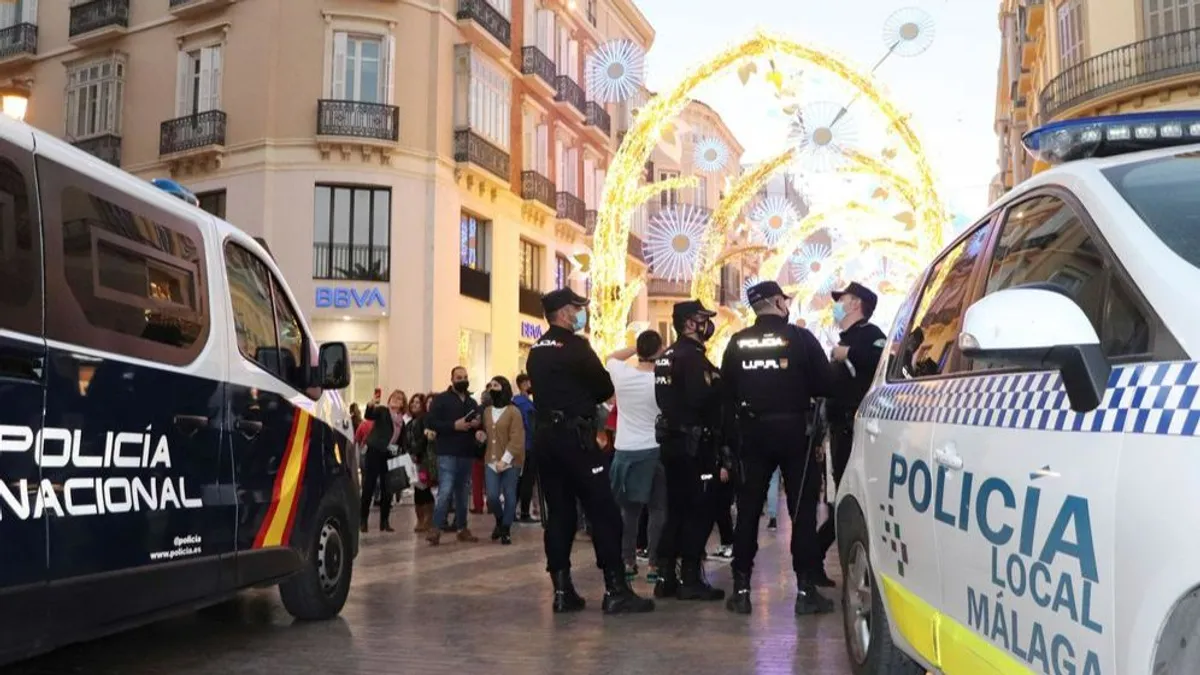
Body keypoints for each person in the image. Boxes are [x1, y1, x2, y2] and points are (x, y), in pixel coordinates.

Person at [525, 287, 654, 615]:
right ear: (565, 313)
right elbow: (603, 387)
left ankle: (562, 590)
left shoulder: (536, 349)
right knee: (603, 510)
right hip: (576, 438)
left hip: (546, 439)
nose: (581, 313)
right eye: (577, 308)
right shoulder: (575, 346)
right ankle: (615, 588)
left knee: (560, 513)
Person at [721, 281, 834, 616]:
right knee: (801, 512)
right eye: (784, 299)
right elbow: (826, 383)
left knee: (748, 511)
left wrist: (729, 443)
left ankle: (741, 590)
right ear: (776, 302)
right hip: (795, 433)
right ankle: (805, 591)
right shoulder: (800, 339)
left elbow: (725, 395)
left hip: (751, 433)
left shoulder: (738, 342)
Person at [654, 300, 729, 602]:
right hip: (694, 445)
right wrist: (722, 386)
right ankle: (689, 578)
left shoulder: (666, 356)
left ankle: (666, 576)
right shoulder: (694, 358)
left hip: (672, 443)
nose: (706, 324)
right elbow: (702, 398)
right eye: (702, 319)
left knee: (675, 510)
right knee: (699, 510)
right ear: (688, 323)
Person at [815, 282, 886, 572]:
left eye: (841, 299)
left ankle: (815, 556)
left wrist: (849, 354)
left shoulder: (871, 335)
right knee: (840, 496)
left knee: (848, 495)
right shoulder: (847, 337)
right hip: (838, 430)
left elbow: (883, 359)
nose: (837, 305)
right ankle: (815, 558)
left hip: (857, 430)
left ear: (856, 303)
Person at [605, 331, 668, 584]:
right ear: (659, 350)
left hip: (625, 451)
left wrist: (635, 347)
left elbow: (611, 357)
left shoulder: (622, 374)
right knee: (658, 509)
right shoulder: (659, 380)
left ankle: (628, 561)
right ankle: (654, 563)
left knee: (629, 512)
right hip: (654, 449)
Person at [425, 367, 484, 545]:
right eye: (459, 377)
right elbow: (431, 422)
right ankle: (435, 528)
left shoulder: (472, 402)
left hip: (466, 452)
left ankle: (462, 528)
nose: (463, 380)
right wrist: (453, 425)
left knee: (463, 493)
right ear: (452, 379)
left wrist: (477, 425)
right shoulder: (441, 400)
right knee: (445, 490)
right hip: (447, 452)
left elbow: (478, 425)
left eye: (465, 377)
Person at [481, 376, 525, 545]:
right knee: (492, 497)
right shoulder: (487, 411)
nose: (493, 388)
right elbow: (489, 433)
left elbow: (517, 438)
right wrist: (482, 436)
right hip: (491, 459)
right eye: (491, 385)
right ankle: (499, 520)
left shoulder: (514, 411)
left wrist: (505, 459)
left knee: (509, 495)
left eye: (496, 385)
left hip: (511, 461)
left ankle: (506, 528)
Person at [360, 389, 406, 533]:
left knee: (388, 490)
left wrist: (397, 451)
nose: (395, 400)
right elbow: (369, 415)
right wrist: (371, 403)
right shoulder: (382, 411)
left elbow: (400, 442)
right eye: (394, 397)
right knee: (369, 487)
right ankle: (363, 521)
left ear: (402, 404)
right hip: (374, 453)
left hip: (389, 456)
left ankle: (384, 522)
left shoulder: (401, 421)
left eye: (399, 399)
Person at [403, 393, 436, 533]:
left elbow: (424, 439)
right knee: (417, 490)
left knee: (424, 489)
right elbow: (405, 440)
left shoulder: (424, 420)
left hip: (422, 460)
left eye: (417, 402)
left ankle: (428, 519)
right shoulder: (410, 423)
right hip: (411, 460)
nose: (414, 404)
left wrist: (415, 452)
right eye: (412, 402)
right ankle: (420, 519)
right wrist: (408, 452)